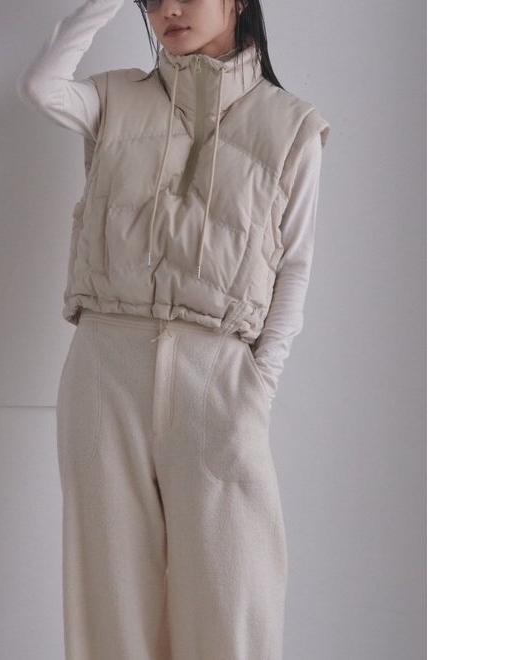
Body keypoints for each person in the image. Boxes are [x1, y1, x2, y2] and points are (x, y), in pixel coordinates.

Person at [16, 0, 330, 658]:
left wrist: (258, 382)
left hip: (218, 372)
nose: (170, 10)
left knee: (233, 590)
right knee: (110, 591)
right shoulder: (115, 99)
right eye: (153, 0)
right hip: (105, 364)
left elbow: (294, 266)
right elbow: (42, 86)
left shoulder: (290, 126)